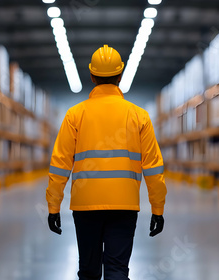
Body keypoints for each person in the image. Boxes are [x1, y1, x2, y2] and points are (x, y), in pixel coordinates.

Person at [46, 45, 167, 280]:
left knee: (88, 271)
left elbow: (59, 164)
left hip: (85, 206)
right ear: (120, 76)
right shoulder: (139, 116)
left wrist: (53, 207)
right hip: (124, 206)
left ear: (92, 76)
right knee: (117, 270)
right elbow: (153, 167)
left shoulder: (75, 115)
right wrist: (158, 209)